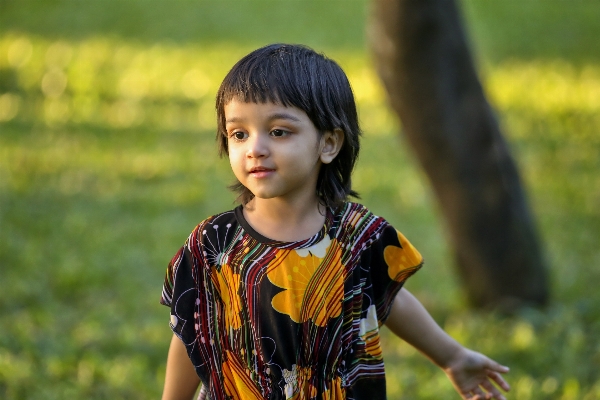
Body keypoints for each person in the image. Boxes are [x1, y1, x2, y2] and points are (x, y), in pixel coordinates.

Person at [160, 44, 510, 400]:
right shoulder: (214, 242)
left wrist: (452, 357)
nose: (255, 148)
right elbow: (192, 330)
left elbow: (391, 300)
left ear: (328, 143)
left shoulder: (358, 235)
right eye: (239, 134)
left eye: (279, 132)